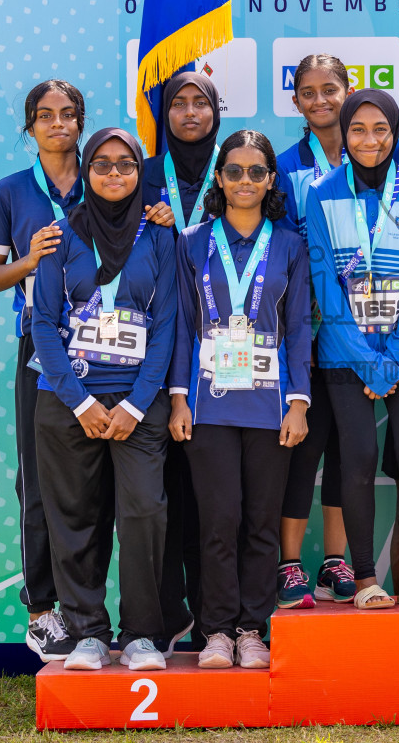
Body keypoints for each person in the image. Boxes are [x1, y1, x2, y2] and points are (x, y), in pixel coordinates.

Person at [29, 128, 177, 671]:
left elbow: (167, 325)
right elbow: (43, 322)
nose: (114, 174)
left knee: (144, 512)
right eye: (102, 164)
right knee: (74, 517)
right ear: (87, 171)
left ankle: (141, 634)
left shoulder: (161, 235)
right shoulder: (60, 235)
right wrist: (81, 403)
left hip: (138, 403)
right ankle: (89, 632)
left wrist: (137, 404)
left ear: (140, 173)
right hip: (69, 403)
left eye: (126, 165)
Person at [168, 130, 313, 669]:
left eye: (257, 171)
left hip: (271, 407)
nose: (245, 181)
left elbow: (298, 329)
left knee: (260, 523)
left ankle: (253, 629)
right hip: (207, 405)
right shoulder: (192, 243)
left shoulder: (291, 246)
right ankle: (217, 633)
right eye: (234, 171)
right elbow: (183, 325)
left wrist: (298, 403)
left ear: (271, 179)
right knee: (218, 522)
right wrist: (178, 399)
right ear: (220, 178)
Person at [304, 88, 399, 609]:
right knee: (358, 457)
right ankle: (365, 579)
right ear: (344, 132)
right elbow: (325, 289)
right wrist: (368, 362)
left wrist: (394, 359)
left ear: (393, 132)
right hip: (346, 353)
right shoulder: (321, 194)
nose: (369, 140)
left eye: (380, 129)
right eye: (358, 130)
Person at [0, 79, 85, 661]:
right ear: (30, 127)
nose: (56, 124)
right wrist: (29, 259)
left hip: (106, 352)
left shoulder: (105, 176)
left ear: (81, 122)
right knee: (39, 481)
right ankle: (43, 611)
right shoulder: (11, 192)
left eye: (68, 115)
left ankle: (93, 611)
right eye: (44, 116)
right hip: (39, 350)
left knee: (99, 485)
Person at [139, 70, 221, 653]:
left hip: (226, 355)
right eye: (178, 103)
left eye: (201, 103)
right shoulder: (140, 175)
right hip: (153, 352)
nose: (189, 113)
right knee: (161, 492)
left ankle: (217, 617)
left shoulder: (238, 168)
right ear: (163, 114)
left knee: (212, 496)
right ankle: (165, 616)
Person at [273, 54, 354, 607]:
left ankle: (336, 559)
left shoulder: (373, 154)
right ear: (297, 100)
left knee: (347, 446)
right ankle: (289, 563)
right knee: (303, 445)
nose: (321, 100)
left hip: (360, 325)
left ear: (349, 91)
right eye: (309, 92)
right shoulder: (281, 165)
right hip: (301, 325)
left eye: (332, 89)